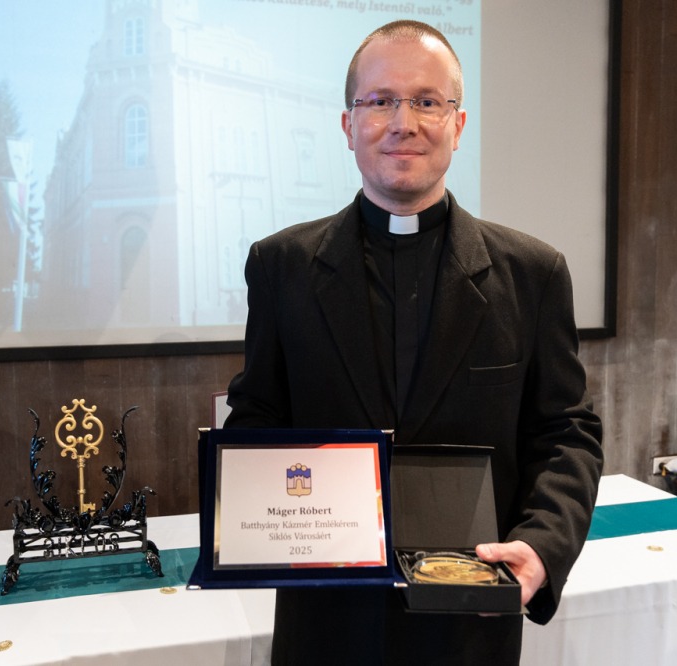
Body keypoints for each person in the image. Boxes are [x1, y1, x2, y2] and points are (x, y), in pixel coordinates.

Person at [224, 19, 603, 666]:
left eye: (427, 101)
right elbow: (259, 414)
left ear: (457, 125)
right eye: (380, 101)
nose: (403, 123)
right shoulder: (281, 266)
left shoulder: (533, 274)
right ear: (349, 125)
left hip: (468, 624)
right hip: (326, 624)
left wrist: (542, 546)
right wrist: (247, 502)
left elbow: (565, 432)